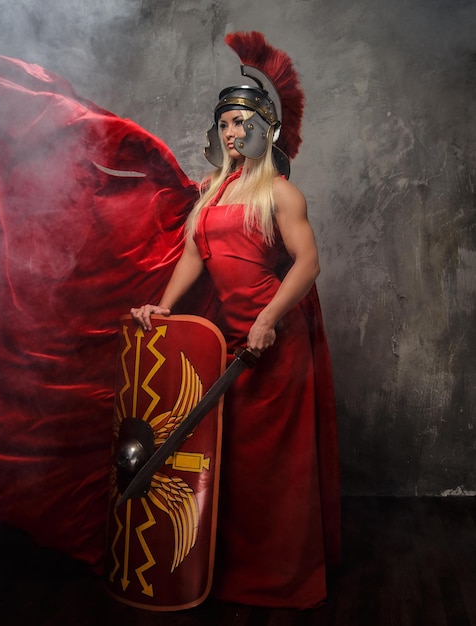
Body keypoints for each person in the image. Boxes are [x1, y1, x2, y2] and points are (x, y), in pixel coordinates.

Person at [131, 31, 340, 610]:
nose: (231, 131)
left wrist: (270, 318)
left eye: (241, 122)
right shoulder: (213, 194)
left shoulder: (278, 193)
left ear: (263, 130)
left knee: (274, 467)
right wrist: (165, 309)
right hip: (230, 344)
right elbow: (195, 258)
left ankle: (281, 578)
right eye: (224, 123)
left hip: (277, 339)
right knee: (235, 463)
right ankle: (229, 573)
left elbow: (309, 263)